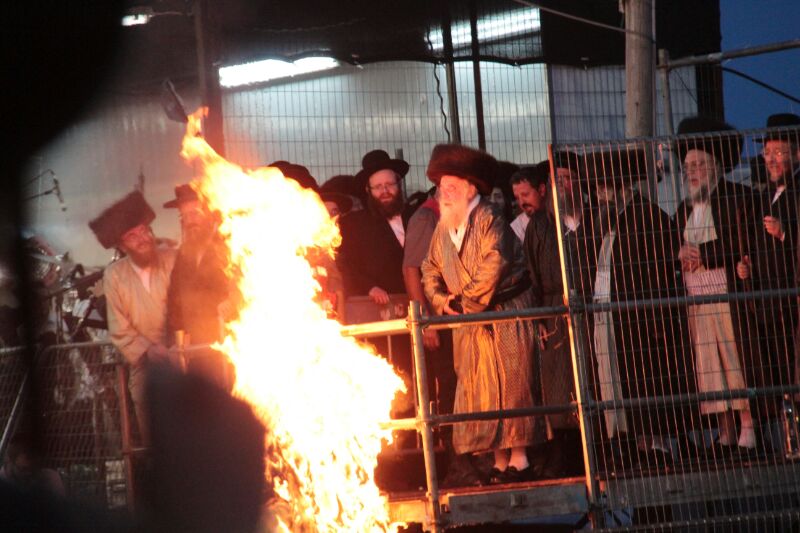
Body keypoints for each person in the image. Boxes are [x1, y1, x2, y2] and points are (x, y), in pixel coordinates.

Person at [421, 144, 543, 484]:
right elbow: (429, 267)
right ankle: (498, 460)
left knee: (511, 384)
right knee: (480, 389)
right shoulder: (444, 226)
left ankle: (520, 459)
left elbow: (495, 262)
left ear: (470, 189)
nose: (444, 193)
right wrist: (442, 301)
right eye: (441, 186)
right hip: (469, 319)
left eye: (451, 186)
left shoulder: (491, 219)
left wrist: (465, 302)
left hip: (505, 313)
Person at [585, 147, 694, 469]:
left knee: (643, 380)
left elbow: (658, 274)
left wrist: (657, 320)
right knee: (612, 380)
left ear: (621, 186)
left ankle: (653, 446)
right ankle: (627, 444)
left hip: (637, 317)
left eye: (605, 187)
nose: (601, 194)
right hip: (606, 312)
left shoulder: (648, 216)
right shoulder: (605, 220)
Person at [675, 116, 755, 452]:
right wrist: (683, 256)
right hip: (697, 298)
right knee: (708, 367)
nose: (691, 171)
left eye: (698, 164)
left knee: (735, 361)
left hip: (726, 294)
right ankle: (724, 431)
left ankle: (748, 428)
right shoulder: (684, 209)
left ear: (716, 165)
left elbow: (744, 242)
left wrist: (704, 253)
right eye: (687, 165)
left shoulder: (738, 197)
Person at [89, 190, 177, 442]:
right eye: (133, 236)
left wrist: (174, 344)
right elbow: (119, 327)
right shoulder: (114, 276)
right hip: (144, 365)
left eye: (144, 230)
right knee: (156, 437)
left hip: (184, 353)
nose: (143, 239)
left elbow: (189, 305)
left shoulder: (173, 259)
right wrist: (148, 350)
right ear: (121, 245)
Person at [738, 113, 800, 446]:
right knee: (776, 373)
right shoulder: (763, 197)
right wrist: (747, 269)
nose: (772, 159)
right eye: (768, 153)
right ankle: (786, 439)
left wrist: (786, 234)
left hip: (791, 302)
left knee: (793, 372)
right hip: (766, 302)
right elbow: (751, 245)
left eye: (779, 152)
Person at [522, 152, 585, 477]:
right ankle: (563, 455)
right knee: (558, 385)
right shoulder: (540, 225)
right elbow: (529, 275)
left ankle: (598, 449)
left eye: (568, 178)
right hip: (553, 313)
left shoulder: (593, 219)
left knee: (591, 380)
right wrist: (538, 320)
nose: (563, 185)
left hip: (588, 310)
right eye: (556, 180)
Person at [165, 183, 234, 392]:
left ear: (210, 212)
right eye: (184, 216)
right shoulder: (183, 257)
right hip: (196, 354)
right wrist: (175, 345)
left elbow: (250, 285)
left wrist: (235, 300)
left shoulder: (232, 245)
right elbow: (175, 302)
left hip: (231, 347)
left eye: (195, 213)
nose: (189, 221)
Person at [0, 433, 65, 497]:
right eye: (23, 469)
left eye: (33, 469)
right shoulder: (3, 483)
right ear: (10, 463)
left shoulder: (50, 479)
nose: (28, 474)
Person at [510, 162, 550, 242]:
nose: (521, 203)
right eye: (517, 198)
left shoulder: (560, 214)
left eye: (525, 195)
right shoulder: (518, 227)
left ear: (541, 190)